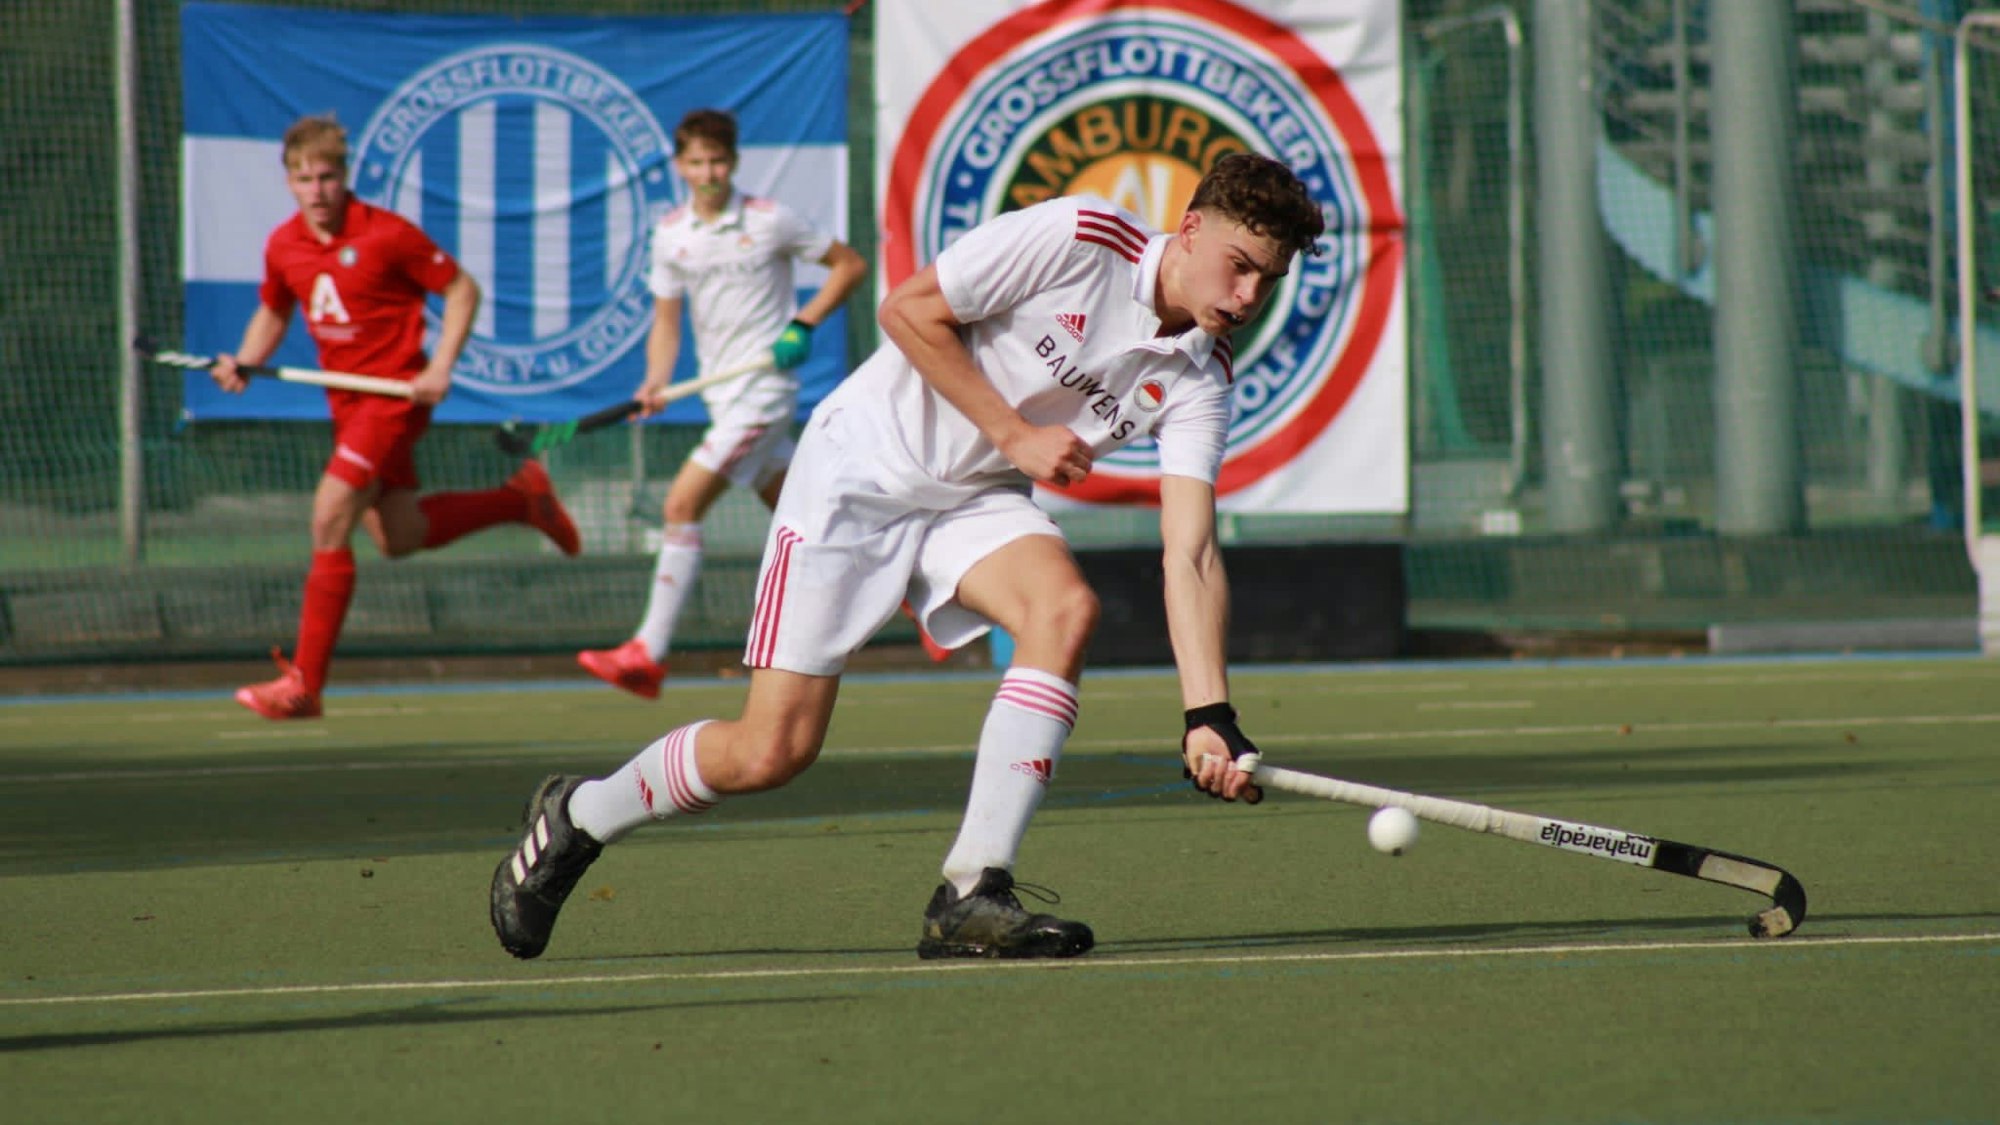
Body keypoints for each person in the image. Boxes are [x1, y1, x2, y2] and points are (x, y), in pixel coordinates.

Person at [490, 152, 1326, 960]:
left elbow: (1192, 552)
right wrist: (1014, 433)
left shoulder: (1201, 375)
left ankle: (971, 889)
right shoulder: (1080, 236)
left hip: (974, 496)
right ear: (1190, 229)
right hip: (858, 470)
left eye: (1269, 280)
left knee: (1065, 609)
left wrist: (1207, 713)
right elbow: (908, 310)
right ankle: (581, 815)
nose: (1248, 296)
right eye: (1240, 266)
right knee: (770, 752)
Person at [212, 114, 582, 721]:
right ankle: (520, 500)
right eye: (304, 179)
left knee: (330, 514)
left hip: (392, 401)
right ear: (288, 181)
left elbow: (462, 290)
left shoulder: (387, 234)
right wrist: (246, 360)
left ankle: (304, 683)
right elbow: (274, 310)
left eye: (327, 177)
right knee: (398, 535)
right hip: (347, 404)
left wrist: (440, 366)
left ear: (345, 175)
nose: (317, 191)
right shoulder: (283, 244)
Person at [575, 108, 867, 699]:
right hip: (721, 394)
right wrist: (655, 380)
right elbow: (666, 323)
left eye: (717, 161)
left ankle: (648, 652)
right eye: (697, 162)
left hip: (765, 393)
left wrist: (803, 324)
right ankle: (906, 589)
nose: (708, 173)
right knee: (807, 514)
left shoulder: (769, 219)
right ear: (680, 166)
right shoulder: (671, 235)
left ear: (732, 162)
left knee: (681, 503)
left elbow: (849, 265)